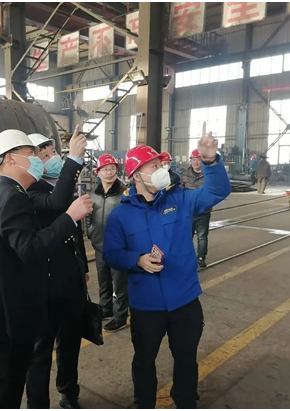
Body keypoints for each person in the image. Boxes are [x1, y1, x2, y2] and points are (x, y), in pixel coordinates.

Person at [103, 123, 231, 409]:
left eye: (161, 164)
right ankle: (143, 403)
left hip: (184, 300)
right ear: (136, 175)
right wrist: (136, 260)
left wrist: (210, 161)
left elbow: (218, 191)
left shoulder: (180, 199)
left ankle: (185, 401)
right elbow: (111, 253)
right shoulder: (120, 215)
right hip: (146, 305)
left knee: (186, 358)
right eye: (153, 166)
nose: (162, 169)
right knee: (144, 359)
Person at [0, 129, 93, 409]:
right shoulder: (12, 197)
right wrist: (70, 217)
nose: (37, 158)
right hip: (11, 312)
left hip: (5, 307)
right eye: (30, 153)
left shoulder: (1, 193)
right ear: (10, 158)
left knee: (6, 386)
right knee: (6, 390)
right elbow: (30, 249)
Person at [25, 128, 89, 409]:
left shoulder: (59, 188)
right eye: (45, 156)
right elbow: (58, 205)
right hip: (44, 288)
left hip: (70, 282)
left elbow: (74, 232)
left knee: (71, 342)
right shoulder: (31, 192)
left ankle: (69, 392)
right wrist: (74, 159)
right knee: (40, 352)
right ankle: (38, 403)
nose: (52, 158)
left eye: (53, 153)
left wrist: (82, 266)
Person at [87, 153, 128, 332]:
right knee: (103, 281)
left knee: (119, 284)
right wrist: (91, 233)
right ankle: (106, 308)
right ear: (98, 172)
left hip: (118, 248)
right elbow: (89, 217)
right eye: (105, 169)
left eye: (112, 169)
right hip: (99, 246)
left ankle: (120, 316)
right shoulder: (93, 195)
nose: (109, 173)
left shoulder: (125, 194)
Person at [182, 148, 211, 268]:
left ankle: (201, 258)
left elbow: (212, 191)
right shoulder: (185, 175)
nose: (196, 162)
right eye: (194, 160)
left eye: (198, 160)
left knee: (202, 236)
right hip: (188, 212)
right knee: (187, 236)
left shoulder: (208, 175)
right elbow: (180, 191)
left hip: (203, 211)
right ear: (191, 161)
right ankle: (187, 257)